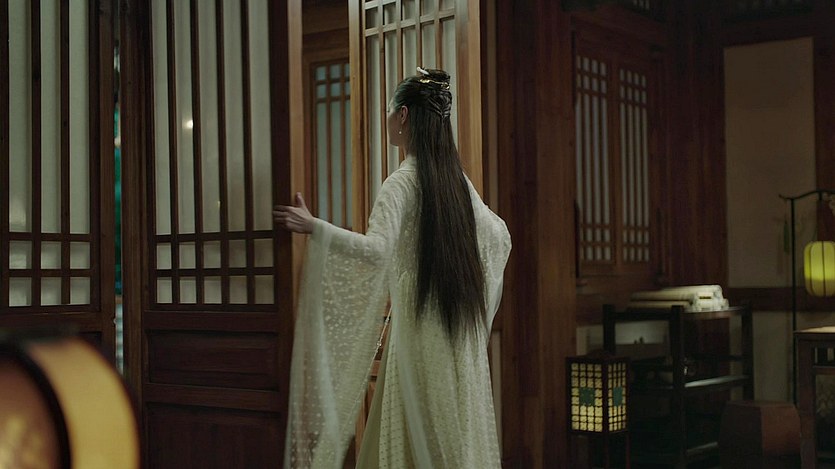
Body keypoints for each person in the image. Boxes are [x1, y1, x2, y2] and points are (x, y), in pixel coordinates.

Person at [274, 68, 511, 468]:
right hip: (456, 331)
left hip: (418, 328)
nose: (386, 118)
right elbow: (500, 237)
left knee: (414, 438)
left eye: (388, 110)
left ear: (402, 116)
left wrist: (315, 227)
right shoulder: (456, 182)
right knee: (452, 441)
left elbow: (375, 251)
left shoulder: (400, 183)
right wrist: (478, 311)